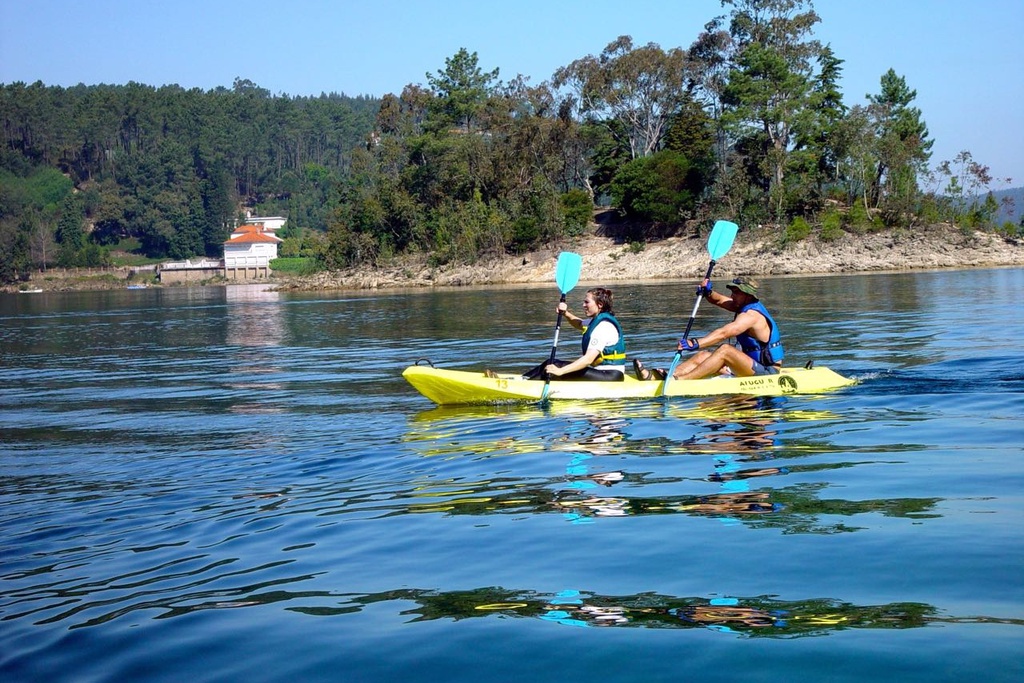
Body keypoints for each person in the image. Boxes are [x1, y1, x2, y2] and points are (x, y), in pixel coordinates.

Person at [633, 276, 784, 381]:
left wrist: (696, 343)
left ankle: (680, 381)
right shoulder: (742, 305)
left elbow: (725, 333)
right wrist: (708, 293)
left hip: (767, 372)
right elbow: (719, 300)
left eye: (736, 292)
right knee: (702, 356)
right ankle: (661, 376)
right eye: (733, 291)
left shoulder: (751, 315)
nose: (732, 295)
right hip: (749, 367)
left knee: (725, 350)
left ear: (748, 295)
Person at [518, 287, 627, 381]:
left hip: (610, 376)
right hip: (600, 373)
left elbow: (588, 359)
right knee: (550, 362)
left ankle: (524, 385)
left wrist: (561, 371)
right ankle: (522, 380)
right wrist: (565, 313)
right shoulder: (596, 321)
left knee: (556, 366)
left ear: (600, 305)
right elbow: (579, 323)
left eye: (587, 302)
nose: (583, 305)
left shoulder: (603, 327)